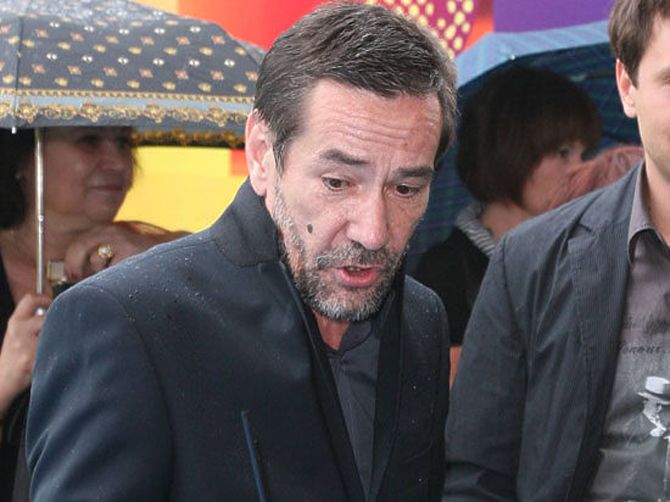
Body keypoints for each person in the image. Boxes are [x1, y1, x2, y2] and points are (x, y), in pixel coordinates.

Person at [27, 3, 457, 501]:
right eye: (337, 182)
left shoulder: (421, 319)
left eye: (405, 189)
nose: (374, 232)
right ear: (260, 154)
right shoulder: (128, 321)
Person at [443, 0, 670, 499]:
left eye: (578, 150)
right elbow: (479, 473)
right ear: (627, 86)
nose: (575, 165)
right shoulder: (528, 263)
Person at [0, 126, 187, 501]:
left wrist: (152, 251)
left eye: (123, 142)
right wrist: (6, 378)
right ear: (24, 159)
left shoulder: (154, 254)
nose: (116, 161)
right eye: (89, 141)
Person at [413, 66, 601, 382]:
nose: (581, 169)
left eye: (586, 153)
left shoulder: (586, 255)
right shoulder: (446, 271)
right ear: (511, 151)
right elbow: (444, 385)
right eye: (563, 152)